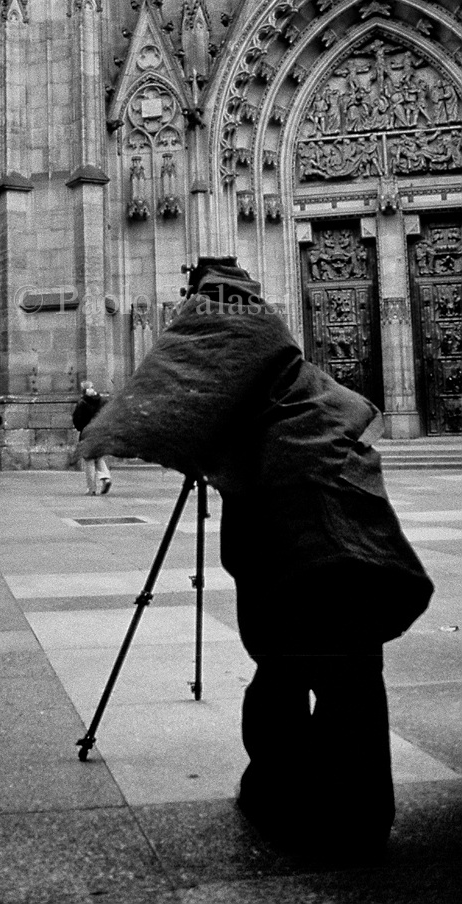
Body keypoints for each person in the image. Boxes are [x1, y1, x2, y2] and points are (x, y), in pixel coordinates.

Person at [79, 257, 433, 858]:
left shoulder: (214, 325)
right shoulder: (280, 345)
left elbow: (163, 394)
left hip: (296, 538)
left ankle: (278, 797)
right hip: (348, 527)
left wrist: (110, 438)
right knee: (352, 679)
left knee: (284, 667)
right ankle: (360, 814)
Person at [72, 380, 112, 495]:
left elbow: (77, 420)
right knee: (98, 456)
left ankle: (91, 488)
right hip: (100, 431)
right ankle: (106, 478)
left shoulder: (82, 402)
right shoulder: (102, 401)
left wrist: (81, 428)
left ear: (83, 390)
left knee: (89, 459)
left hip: (88, 433)